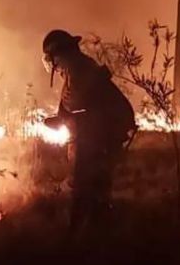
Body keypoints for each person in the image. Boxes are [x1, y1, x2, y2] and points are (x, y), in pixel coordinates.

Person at [41, 29, 136, 232]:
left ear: (59, 55)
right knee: (94, 184)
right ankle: (95, 230)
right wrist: (62, 118)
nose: (54, 66)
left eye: (53, 59)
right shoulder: (78, 68)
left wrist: (64, 119)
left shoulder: (79, 71)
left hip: (100, 133)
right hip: (100, 130)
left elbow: (80, 104)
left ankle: (80, 234)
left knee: (85, 184)